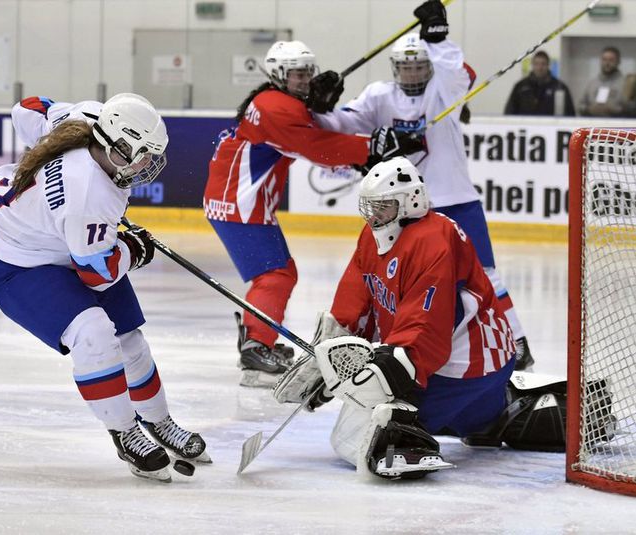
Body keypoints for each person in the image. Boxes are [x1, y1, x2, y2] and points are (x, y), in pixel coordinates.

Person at [274, 157, 572, 480]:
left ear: (410, 202)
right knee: (464, 421)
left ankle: (414, 435)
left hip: (469, 361)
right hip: (450, 360)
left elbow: (425, 328)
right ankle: (506, 410)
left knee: (357, 438)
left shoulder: (433, 240)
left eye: (383, 207)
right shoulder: (374, 236)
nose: (374, 217)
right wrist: (329, 353)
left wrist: (387, 371)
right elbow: (357, 292)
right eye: (370, 207)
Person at [0, 93, 210, 482]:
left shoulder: (84, 118)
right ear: (119, 148)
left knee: (130, 340)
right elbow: (98, 273)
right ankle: (124, 431)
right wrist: (134, 250)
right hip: (18, 262)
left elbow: (29, 107)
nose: (147, 165)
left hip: (58, 240)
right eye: (144, 155)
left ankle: (158, 421)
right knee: (94, 335)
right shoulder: (88, 194)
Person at [312, 0, 534, 371]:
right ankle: (395, 348)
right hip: (403, 210)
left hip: (455, 200)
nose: (413, 73)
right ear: (395, 68)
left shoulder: (443, 93)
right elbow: (341, 125)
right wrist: (318, 106)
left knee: (486, 275)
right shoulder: (380, 95)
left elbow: (457, 74)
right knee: (395, 280)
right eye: (406, 66)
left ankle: (517, 340)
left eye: (420, 65)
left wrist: (438, 38)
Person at [202, 40, 423, 387]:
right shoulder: (274, 106)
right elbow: (314, 145)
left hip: (238, 200)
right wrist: (373, 147)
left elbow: (309, 132)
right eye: (296, 74)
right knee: (275, 275)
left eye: (307, 73)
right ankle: (256, 350)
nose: (304, 80)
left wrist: (316, 107)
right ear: (278, 75)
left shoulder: (273, 99)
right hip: (240, 203)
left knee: (279, 273)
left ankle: (257, 341)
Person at [504, 50, 575, 116]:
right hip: (525, 128)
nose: (539, 67)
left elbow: (570, 114)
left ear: (548, 65)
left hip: (551, 128)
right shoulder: (520, 87)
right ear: (532, 65)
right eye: (536, 64)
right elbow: (509, 112)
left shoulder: (559, 87)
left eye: (543, 64)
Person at [579, 46, 626, 117]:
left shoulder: (626, 84)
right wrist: (589, 110)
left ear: (618, 61)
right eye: (604, 59)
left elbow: (633, 109)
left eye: (611, 60)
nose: (607, 63)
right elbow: (580, 106)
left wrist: (615, 110)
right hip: (593, 125)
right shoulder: (592, 84)